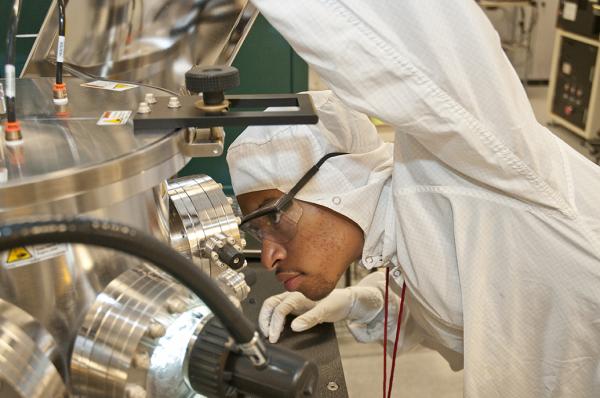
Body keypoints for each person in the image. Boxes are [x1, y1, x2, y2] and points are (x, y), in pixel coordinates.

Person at [226, 1, 600, 397]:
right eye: (257, 231)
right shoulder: (405, 230)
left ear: (335, 182)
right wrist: (358, 303)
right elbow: (460, 306)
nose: (268, 257)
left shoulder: (479, 161)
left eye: (273, 217)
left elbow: (407, 35)